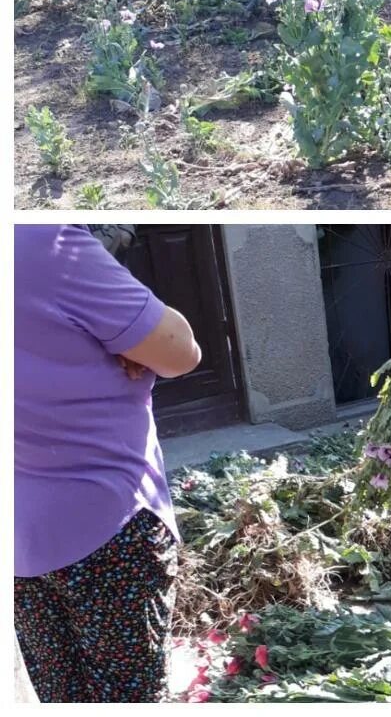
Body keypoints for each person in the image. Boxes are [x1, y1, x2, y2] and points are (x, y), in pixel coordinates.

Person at [15, 224, 202, 702]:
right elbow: (179, 351)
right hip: (108, 528)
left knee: (61, 696)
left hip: (17, 540)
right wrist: (120, 340)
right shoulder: (43, 243)